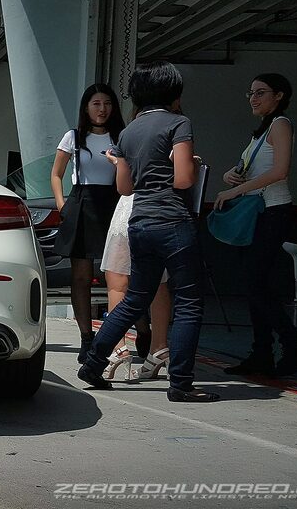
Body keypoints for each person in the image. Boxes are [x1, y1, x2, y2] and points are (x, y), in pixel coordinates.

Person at [77, 61, 218, 402]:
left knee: (134, 297)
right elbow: (184, 179)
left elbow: (124, 187)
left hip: (139, 223)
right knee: (188, 302)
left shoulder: (129, 131)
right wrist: (191, 165)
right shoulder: (178, 123)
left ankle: (94, 362)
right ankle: (181, 384)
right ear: (173, 92)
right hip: (173, 220)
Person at [216, 73, 297, 377]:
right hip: (259, 213)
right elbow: (255, 167)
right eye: (251, 93)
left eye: (260, 93)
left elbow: (280, 171)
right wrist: (231, 175)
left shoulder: (281, 124)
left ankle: (292, 348)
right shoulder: (261, 131)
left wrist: (233, 190)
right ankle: (262, 353)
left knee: (256, 285)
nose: (253, 98)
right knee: (253, 285)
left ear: (279, 96)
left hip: (273, 211)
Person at [50, 84, 126, 363]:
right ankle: (86, 338)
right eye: (96, 103)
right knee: (80, 277)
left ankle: (128, 332)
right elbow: (56, 174)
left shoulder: (121, 136)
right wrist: (62, 205)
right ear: (86, 107)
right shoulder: (73, 136)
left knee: (117, 275)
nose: (102, 109)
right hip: (82, 203)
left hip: (114, 203)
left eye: (107, 103)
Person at [98, 192, 173, 381]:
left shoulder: (134, 160)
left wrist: (116, 161)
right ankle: (159, 347)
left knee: (117, 280)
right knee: (159, 280)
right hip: (164, 208)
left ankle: (119, 348)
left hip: (133, 206)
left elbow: (124, 186)